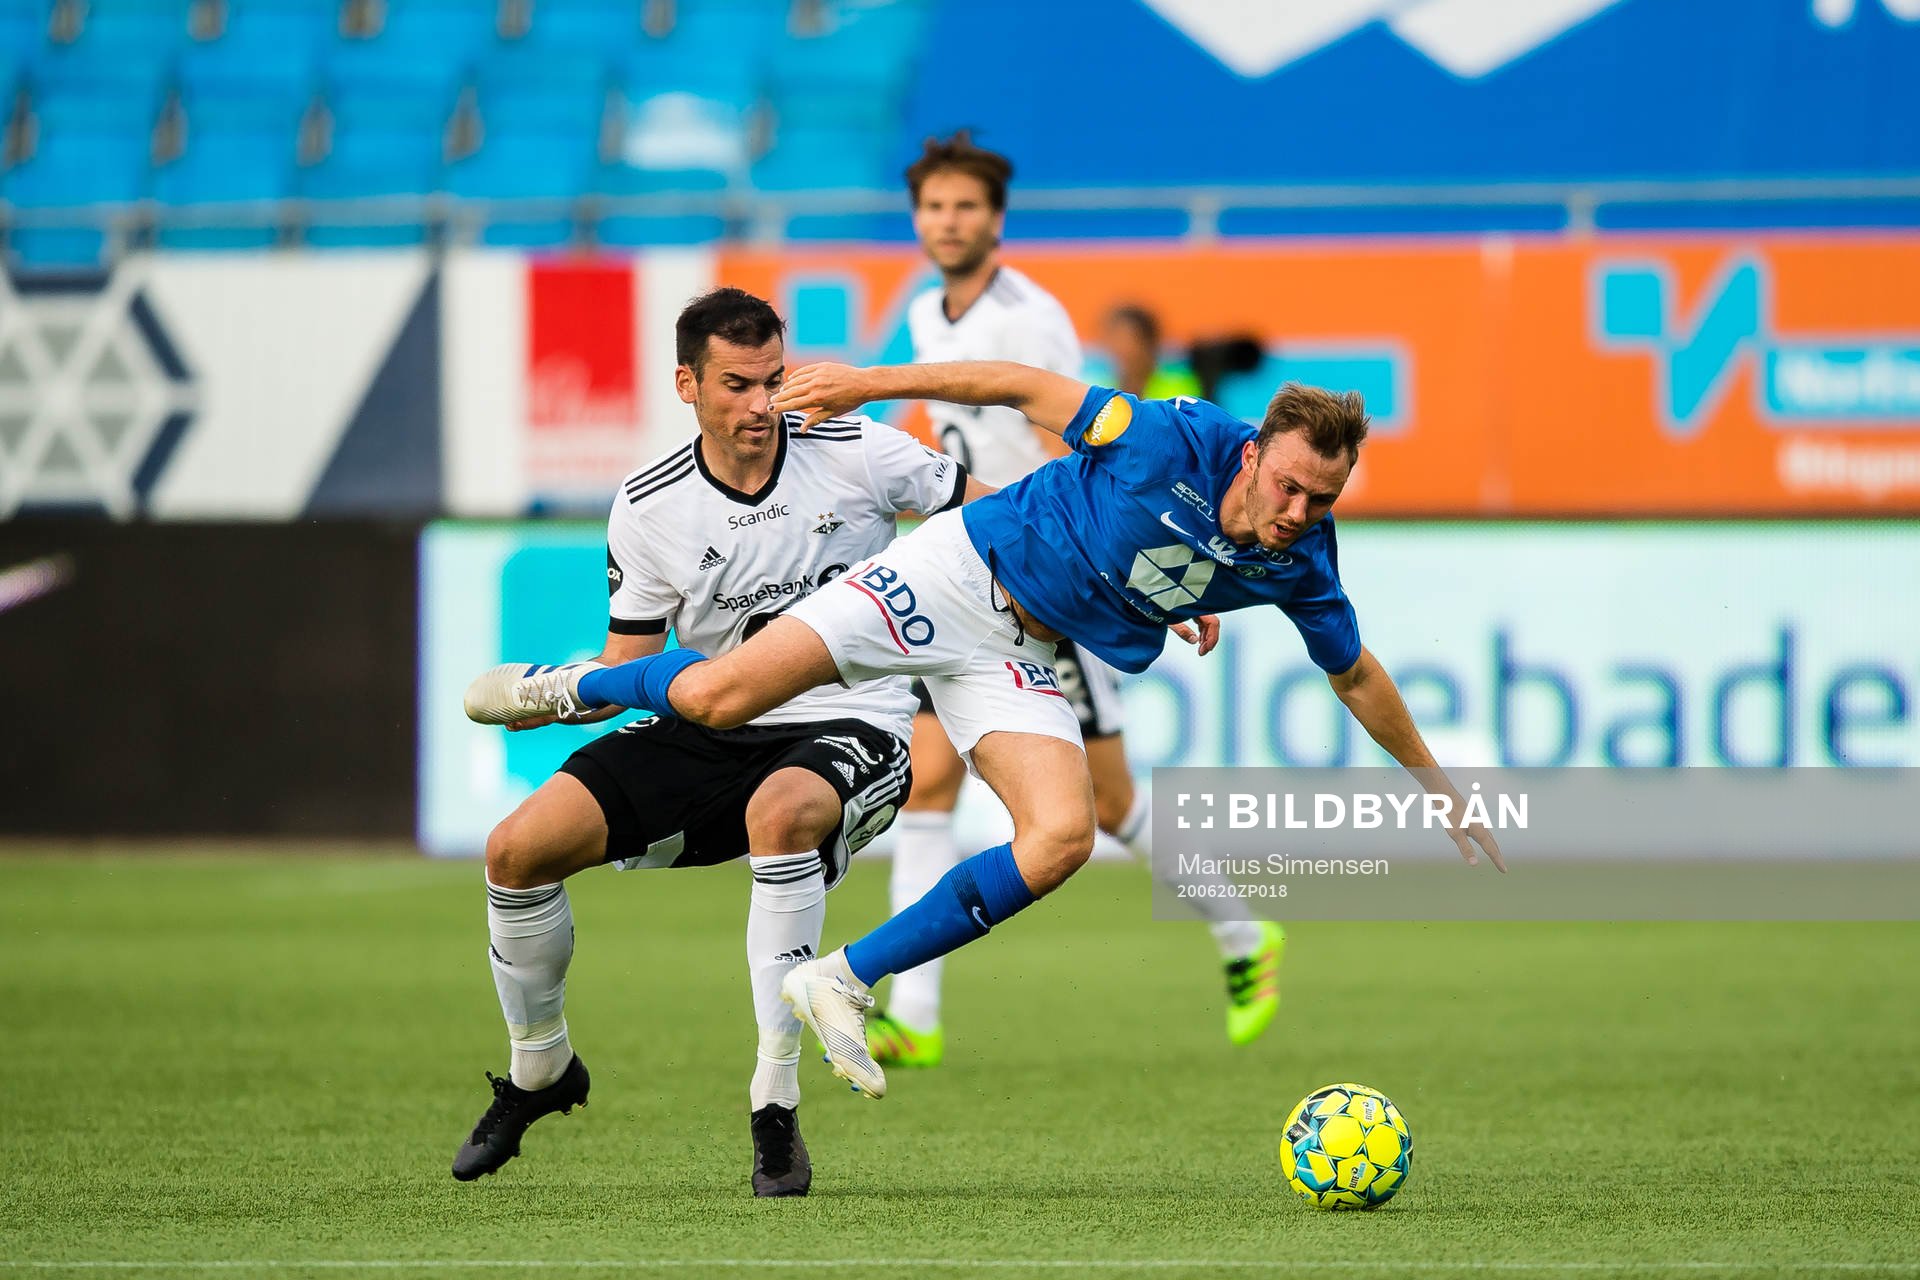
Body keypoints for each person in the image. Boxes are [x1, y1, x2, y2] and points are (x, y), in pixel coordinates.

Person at [465, 358, 1506, 1104]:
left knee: (1060, 837)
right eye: (1287, 485)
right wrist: (871, 385)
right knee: (716, 699)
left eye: (1321, 497)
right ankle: (583, 685)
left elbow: (1356, 672)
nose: (1297, 511)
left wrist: (1435, 785)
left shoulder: (1303, 557)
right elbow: (1019, 385)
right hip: (952, 571)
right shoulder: (1162, 435)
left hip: (1017, 654)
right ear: (1255, 448)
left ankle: (844, 976)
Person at [451, 289, 986, 1194]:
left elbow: (1009, 522)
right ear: (686, 385)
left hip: (854, 719)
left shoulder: (859, 449)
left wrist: (1132, 588)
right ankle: (542, 1067)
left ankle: (773, 1108)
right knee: (516, 851)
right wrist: (553, 698)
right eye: (736, 385)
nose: (760, 405)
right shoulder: (649, 504)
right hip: (709, 722)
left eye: (774, 380)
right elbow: (632, 666)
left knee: (781, 815)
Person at [877, 133, 1283, 1068]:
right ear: (918, 217)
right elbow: (942, 431)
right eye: (935, 206)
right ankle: (916, 1012)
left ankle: (1240, 931)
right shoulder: (927, 314)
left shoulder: (1032, 322)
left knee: (1105, 805)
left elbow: (1081, 440)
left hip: (1057, 578)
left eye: (966, 207)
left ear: (996, 220)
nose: (949, 222)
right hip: (970, 570)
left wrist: (1136, 571)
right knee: (928, 784)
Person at [1102, 305, 1203, 402]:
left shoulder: (1177, 381)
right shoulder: (1104, 382)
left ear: (1148, 343)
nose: (1118, 350)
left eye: (1125, 341)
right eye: (1112, 341)